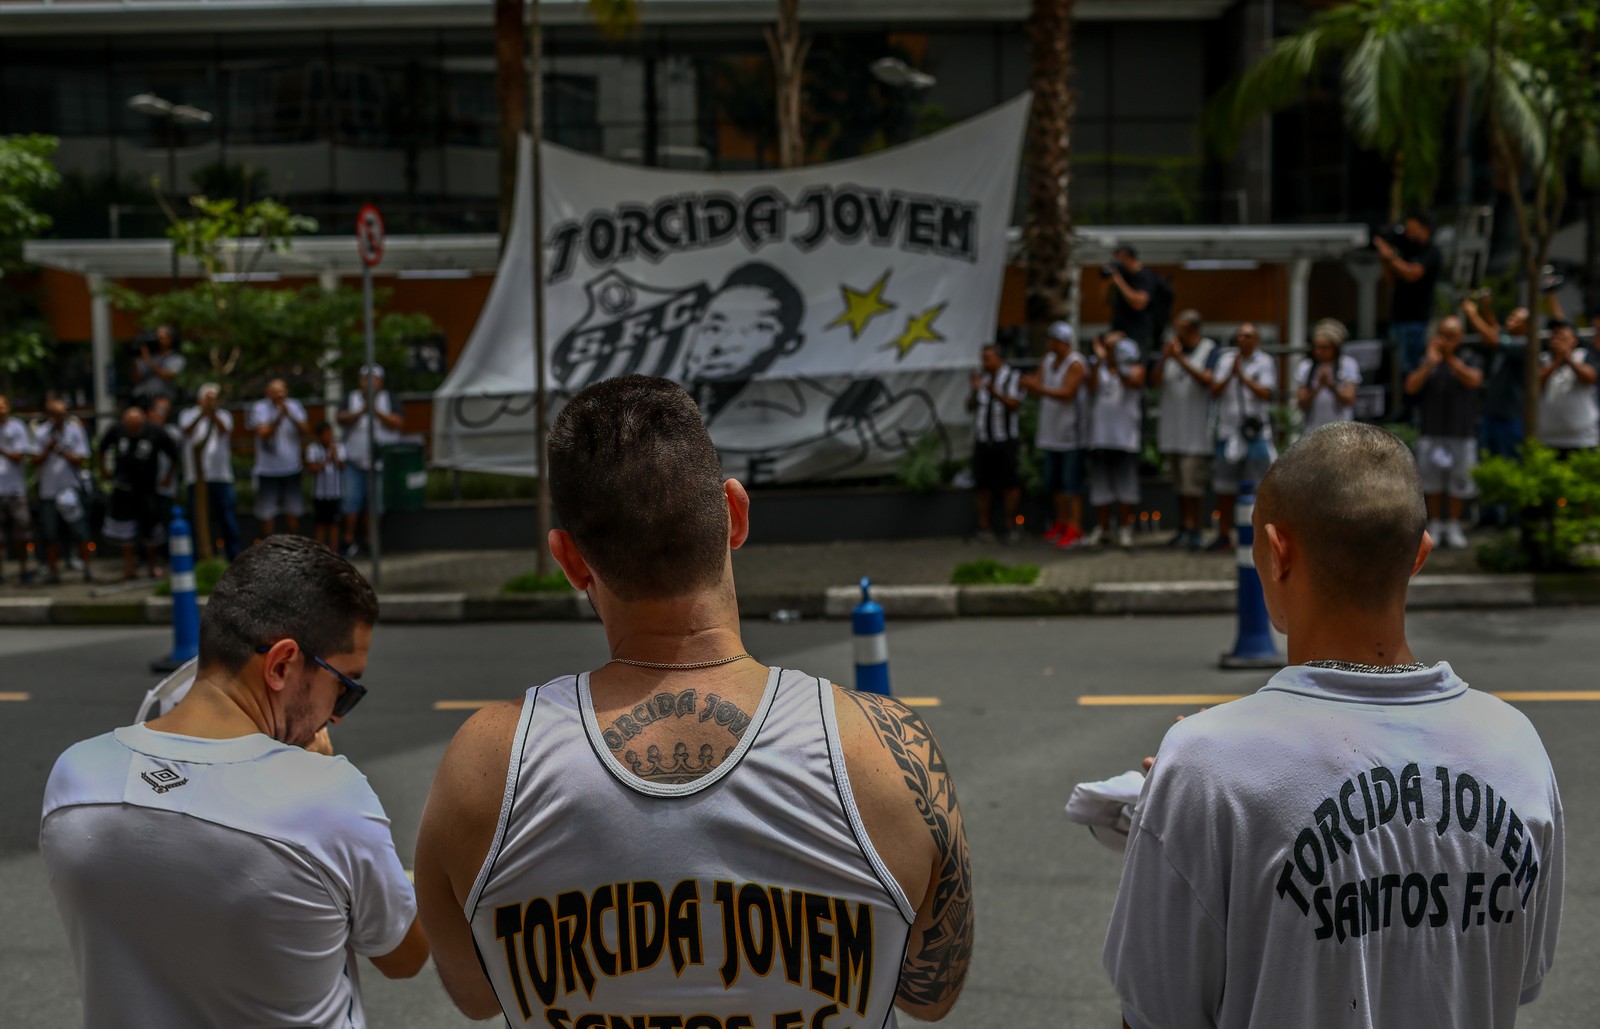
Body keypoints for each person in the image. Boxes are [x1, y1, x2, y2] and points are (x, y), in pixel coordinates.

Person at [413, 375, 973, 1025]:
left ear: (569, 560)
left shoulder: (484, 764)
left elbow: (478, 995)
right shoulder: (885, 748)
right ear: (734, 512)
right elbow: (933, 992)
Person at [1104, 421, 1563, 1029]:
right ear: (1420, 554)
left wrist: (1183, 802)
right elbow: (1518, 976)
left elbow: (1156, 1011)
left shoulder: (1206, 763)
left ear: (1277, 550)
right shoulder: (1516, 745)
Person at [40, 535, 429, 1028]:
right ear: (282, 664)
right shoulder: (329, 799)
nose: (338, 716)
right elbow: (404, 956)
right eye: (345, 688)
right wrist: (312, 775)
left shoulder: (75, 779)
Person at [1404, 316, 1483, 550]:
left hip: (1462, 431)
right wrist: (1430, 363)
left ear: (1460, 337)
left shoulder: (1470, 356)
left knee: (1460, 480)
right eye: (1444, 335)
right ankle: (1436, 523)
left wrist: (1450, 358)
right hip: (1432, 430)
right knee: (1432, 481)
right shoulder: (1428, 359)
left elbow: (1473, 380)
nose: (1447, 340)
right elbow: (1410, 387)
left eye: (1452, 336)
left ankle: (1454, 524)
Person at [1209, 322, 1277, 550]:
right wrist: (1231, 373)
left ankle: (1259, 537)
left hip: (1256, 434)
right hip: (1228, 432)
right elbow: (1215, 391)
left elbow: (1266, 393)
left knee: (1259, 487)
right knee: (1225, 487)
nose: (1242, 340)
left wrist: (1243, 377)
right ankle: (1224, 535)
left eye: (1247, 336)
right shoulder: (1225, 360)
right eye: (1239, 336)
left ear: (1256, 340)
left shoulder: (1264, 361)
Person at [1152, 310, 1217, 550]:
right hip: (1172, 431)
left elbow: (1207, 380)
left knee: (1194, 486)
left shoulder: (1209, 350)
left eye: (1179, 328)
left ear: (1192, 330)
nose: (1175, 333)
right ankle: (1183, 527)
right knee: (1179, 485)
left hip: (1195, 433)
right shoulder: (1170, 351)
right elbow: (1154, 382)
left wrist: (1179, 360)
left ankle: (1196, 529)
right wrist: (1165, 358)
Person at [1022, 320, 1089, 548]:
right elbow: (1037, 384)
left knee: (1072, 485)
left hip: (1072, 436)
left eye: (1053, 339)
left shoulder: (1076, 363)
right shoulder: (1049, 360)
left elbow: (1067, 393)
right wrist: (1030, 385)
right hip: (1050, 433)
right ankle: (1061, 523)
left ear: (1063, 342)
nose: (1049, 343)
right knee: (1055, 484)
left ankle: (1075, 527)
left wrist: (1037, 388)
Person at [99, 406, 179, 581]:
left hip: (147, 488)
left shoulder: (156, 431)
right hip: (122, 487)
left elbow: (174, 454)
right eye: (130, 427)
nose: (133, 431)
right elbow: (101, 448)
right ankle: (129, 568)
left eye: (136, 427)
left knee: (151, 530)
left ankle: (152, 566)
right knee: (124, 532)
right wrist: (104, 471)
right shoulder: (117, 429)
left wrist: (167, 477)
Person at [1084, 330, 1145, 549]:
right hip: (1099, 437)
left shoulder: (1134, 367)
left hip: (1125, 438)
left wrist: (1116, 361)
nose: (1110, 351)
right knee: (1101, 488)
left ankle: (1125, 529)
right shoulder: (1098, 367)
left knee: (1125, 488)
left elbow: (1132, 382)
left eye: (1114, 347)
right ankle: (1104, 529)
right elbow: (1089, 387)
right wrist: (1100, 361)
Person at [338, 364, 403, 558]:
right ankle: (348, 542)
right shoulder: (351, 398)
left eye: (373, 379)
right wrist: (361, 411)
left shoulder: (388, 399)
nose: (368, 383)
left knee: (376, 504)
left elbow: (399, 422)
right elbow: (340, 418)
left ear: (380, 382)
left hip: (380, 464)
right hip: (354, 462)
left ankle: (370, 541)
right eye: (365, 379)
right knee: (351, 501)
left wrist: (375, 411)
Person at [31, 396, 93, 584]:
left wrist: (64, 452)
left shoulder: (75, 431)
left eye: (64, 412)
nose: (62, 416)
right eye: (58, 413)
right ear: (50, 415)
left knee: (80, 532)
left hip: (70, 489)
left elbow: (82, 459)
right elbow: (33, 460)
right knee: (50, 534)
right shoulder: (40, 433)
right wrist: (47, 449)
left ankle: (88, 570)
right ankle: (53, 573)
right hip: (48, 490)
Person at [178, 383, 242, 559]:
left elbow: (224, 431)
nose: (212, 401)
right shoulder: (188, 414)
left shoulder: (224, 415)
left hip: (221, 476)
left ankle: (233, 557)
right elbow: (187, 431)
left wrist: (212, 414)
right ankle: (202, 558)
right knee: (198, 520)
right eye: (208, 397)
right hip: (195, 478)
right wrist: (202, 413)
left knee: (227, 519)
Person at [969, 342, 1024, 543]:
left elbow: (1015, 405)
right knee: (982, 485)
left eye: (988, 358)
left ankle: (1012, 526)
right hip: (983, 439)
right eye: (982, 358)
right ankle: (984, 527)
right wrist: (974, 391)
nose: (984, 362)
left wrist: (995, 393)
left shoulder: (1012, 376)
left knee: (1010, 484)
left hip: (1006, 440)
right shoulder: (980, 378)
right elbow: (970, 407)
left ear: (999, 358)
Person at [1460, 298, 1528, 460]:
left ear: (1526, 325)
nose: (1509, 320)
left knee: (1509, 461)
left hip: (1510, 417)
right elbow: (1496, 331)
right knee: (1488, 461)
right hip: (1492, 414)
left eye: (1515, 319)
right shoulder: (1509, 339)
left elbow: (1493, 338)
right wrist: (1486, 309)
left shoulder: (1524, 344)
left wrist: (1472, 314)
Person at [1374, 213, 1442, 372]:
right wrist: (1384, 259)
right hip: (1398, 317)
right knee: (1396, 369)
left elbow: (1413, 273)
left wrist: (1391, 258)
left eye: (1412, 229)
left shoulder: (1431, 252)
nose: (1408, 233)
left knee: (1412, 368)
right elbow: (1390, 281)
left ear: (1424, 229)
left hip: (1416, 320)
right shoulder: (1407, 250)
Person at [248, 378, 310, 537]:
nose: (278, 395)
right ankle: (267, 552)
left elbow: (306, 430)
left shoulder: (295, 406)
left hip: (292, 468)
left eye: (281, 391)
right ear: (267, 393)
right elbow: (264, 434)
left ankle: (295, 551)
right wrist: (278, 418)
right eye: (274, 391)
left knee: (293, 512)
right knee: (267, 515)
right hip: (267, 470)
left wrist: (290, 415)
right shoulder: (260, 408)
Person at [1537, 320, 1598, 455]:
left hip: (1582, 440)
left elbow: (1589, 378)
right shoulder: (1543, 359)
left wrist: (1568, 358)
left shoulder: (1585, 356)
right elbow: (1534, 383)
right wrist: (1557, 362)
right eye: (1555, 337)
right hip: (1548, 439)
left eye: (1563, 337)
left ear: (1574, 340)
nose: (1558, 341)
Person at [1296, 317, 1361, 432]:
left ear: (1335, 348)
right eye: (1316, 347)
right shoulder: (1306, 366)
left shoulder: (1348, 365)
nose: (1318, 351)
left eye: (1324, 347)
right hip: (1313, 430)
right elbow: (1301, 403)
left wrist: (1331, 386)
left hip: (1342, 431)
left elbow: (1349, 400)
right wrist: (1318, 387)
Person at [0, 394, 35, 586]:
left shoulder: (17, 427)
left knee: (22, 533)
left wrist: (3, 451)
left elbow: (19, 455)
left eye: (3, 405)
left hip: (15, 489)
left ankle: (24, 570)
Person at [1106, 245, 1161, 349]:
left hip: (1137, 335)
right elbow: (1105, 300)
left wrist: (1118, 281)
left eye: (1119, 260)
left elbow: (1139, 303)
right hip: (1119, 332)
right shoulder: (1123, 276)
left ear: (1129, 258)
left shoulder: (1145, 277)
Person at [305, 420, 347, 550]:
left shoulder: (339, 448)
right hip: (319, 494)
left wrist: (334, 457)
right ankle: (319, 552)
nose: (328, 436)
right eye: (325, 434)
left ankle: (334, 552)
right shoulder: (313, 449)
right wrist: (325, 461)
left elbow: (342, 466)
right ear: (319, 436)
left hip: (334, 493)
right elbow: (312, 468)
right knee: (320, 524)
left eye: (330, 433)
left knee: (334, 523)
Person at [147, 396, 182, 534]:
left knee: (165, 520)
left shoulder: (173, 432)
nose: (162, 413)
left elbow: (175, 456)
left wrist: (168, 477)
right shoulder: (144, 431)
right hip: (147, 487)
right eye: (160, 409)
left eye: (166, 410)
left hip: (165, 486)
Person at [131, 324, 185, 408]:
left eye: (162, 337)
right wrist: (135, 357)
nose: (159, 339)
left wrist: (149, 363)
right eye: (158, 336)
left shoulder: (176, 358)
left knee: (159, 411)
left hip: (162, 397)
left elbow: (168, 375)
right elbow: (136, 379)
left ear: (171, 339)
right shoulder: (146, 356)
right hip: (142, 397)